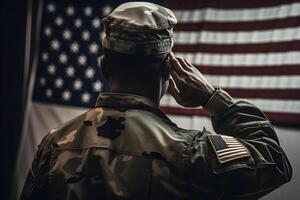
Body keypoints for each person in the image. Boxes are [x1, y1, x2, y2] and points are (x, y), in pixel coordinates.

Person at [20, 2, 292, 200]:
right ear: (167, 69)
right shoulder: (190, 152)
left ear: (103, 66)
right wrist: (214, 98)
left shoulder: (55, 144)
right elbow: (274, 162)